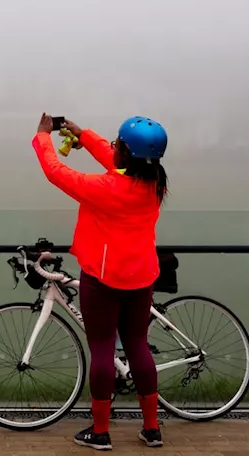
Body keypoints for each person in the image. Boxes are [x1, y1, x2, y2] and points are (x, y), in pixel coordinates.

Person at [32, 112, 170, 451]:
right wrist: (83, 134)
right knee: (137, 345)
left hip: (103, 279)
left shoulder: (107, 188)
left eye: (116, 144)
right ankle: (151, 429)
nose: (112, 147)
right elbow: (119, 161)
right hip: (141, 277)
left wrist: (42, 136)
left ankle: (101, 431)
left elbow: (56, 172)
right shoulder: (155, 182)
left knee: (103, 350)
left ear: (125, 151)